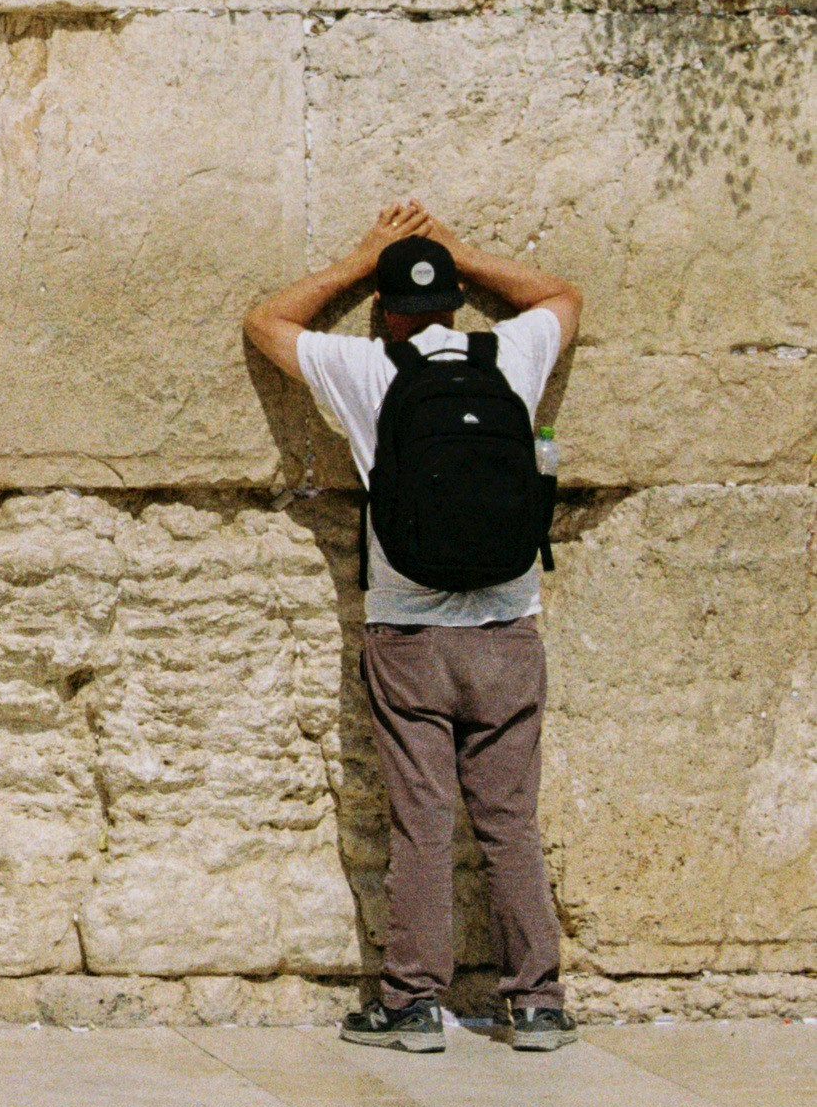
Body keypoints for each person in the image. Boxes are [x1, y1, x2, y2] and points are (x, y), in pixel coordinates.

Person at [243, 203, 581, 1055]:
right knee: (508, 820)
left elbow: (265, 321)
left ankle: (411, 1005)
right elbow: (561, 294)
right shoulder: (511, 352)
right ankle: (535, 1004)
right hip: (507, 628)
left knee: (422, 820)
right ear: (457, 305)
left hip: (407, 632)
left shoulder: (365, 367)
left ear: (388, 312)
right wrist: (465, 254)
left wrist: (359, 258)